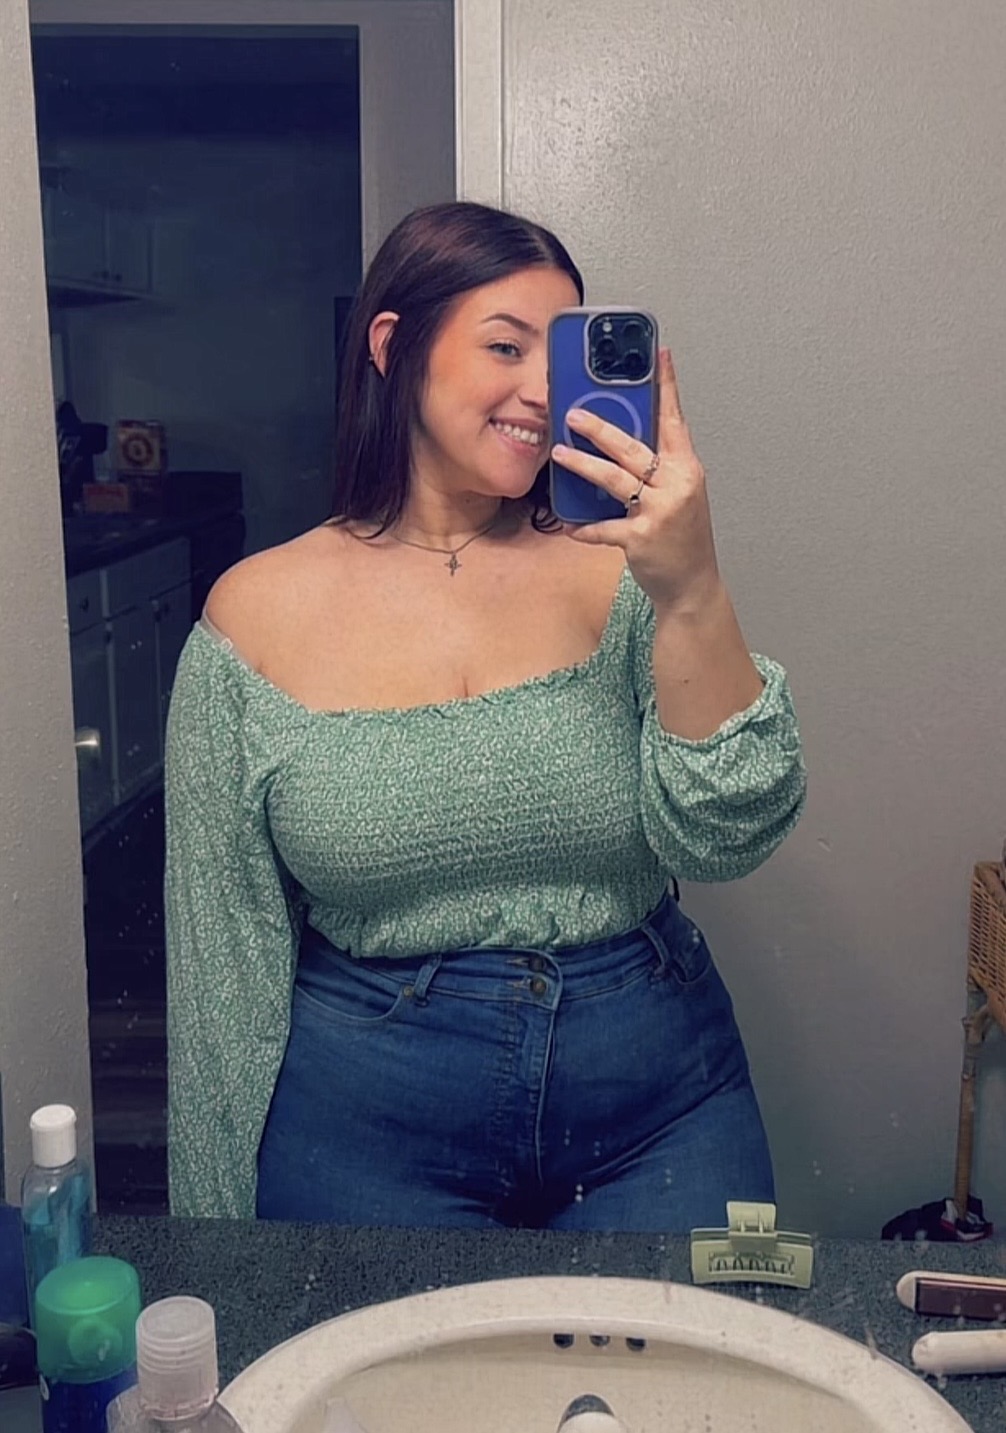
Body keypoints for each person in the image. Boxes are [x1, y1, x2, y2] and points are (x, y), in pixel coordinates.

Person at [164, 201, 806, 1229]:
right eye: (506, 345)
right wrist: (214, 1247)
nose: (542, 391)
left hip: (657, 1109)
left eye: (560, 353)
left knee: (696, 1346)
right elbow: (220, 965)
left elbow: (726, 833)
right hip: (365, 1126)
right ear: (393, 345)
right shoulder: (253, 616)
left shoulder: (625, 569)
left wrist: (691, 588)